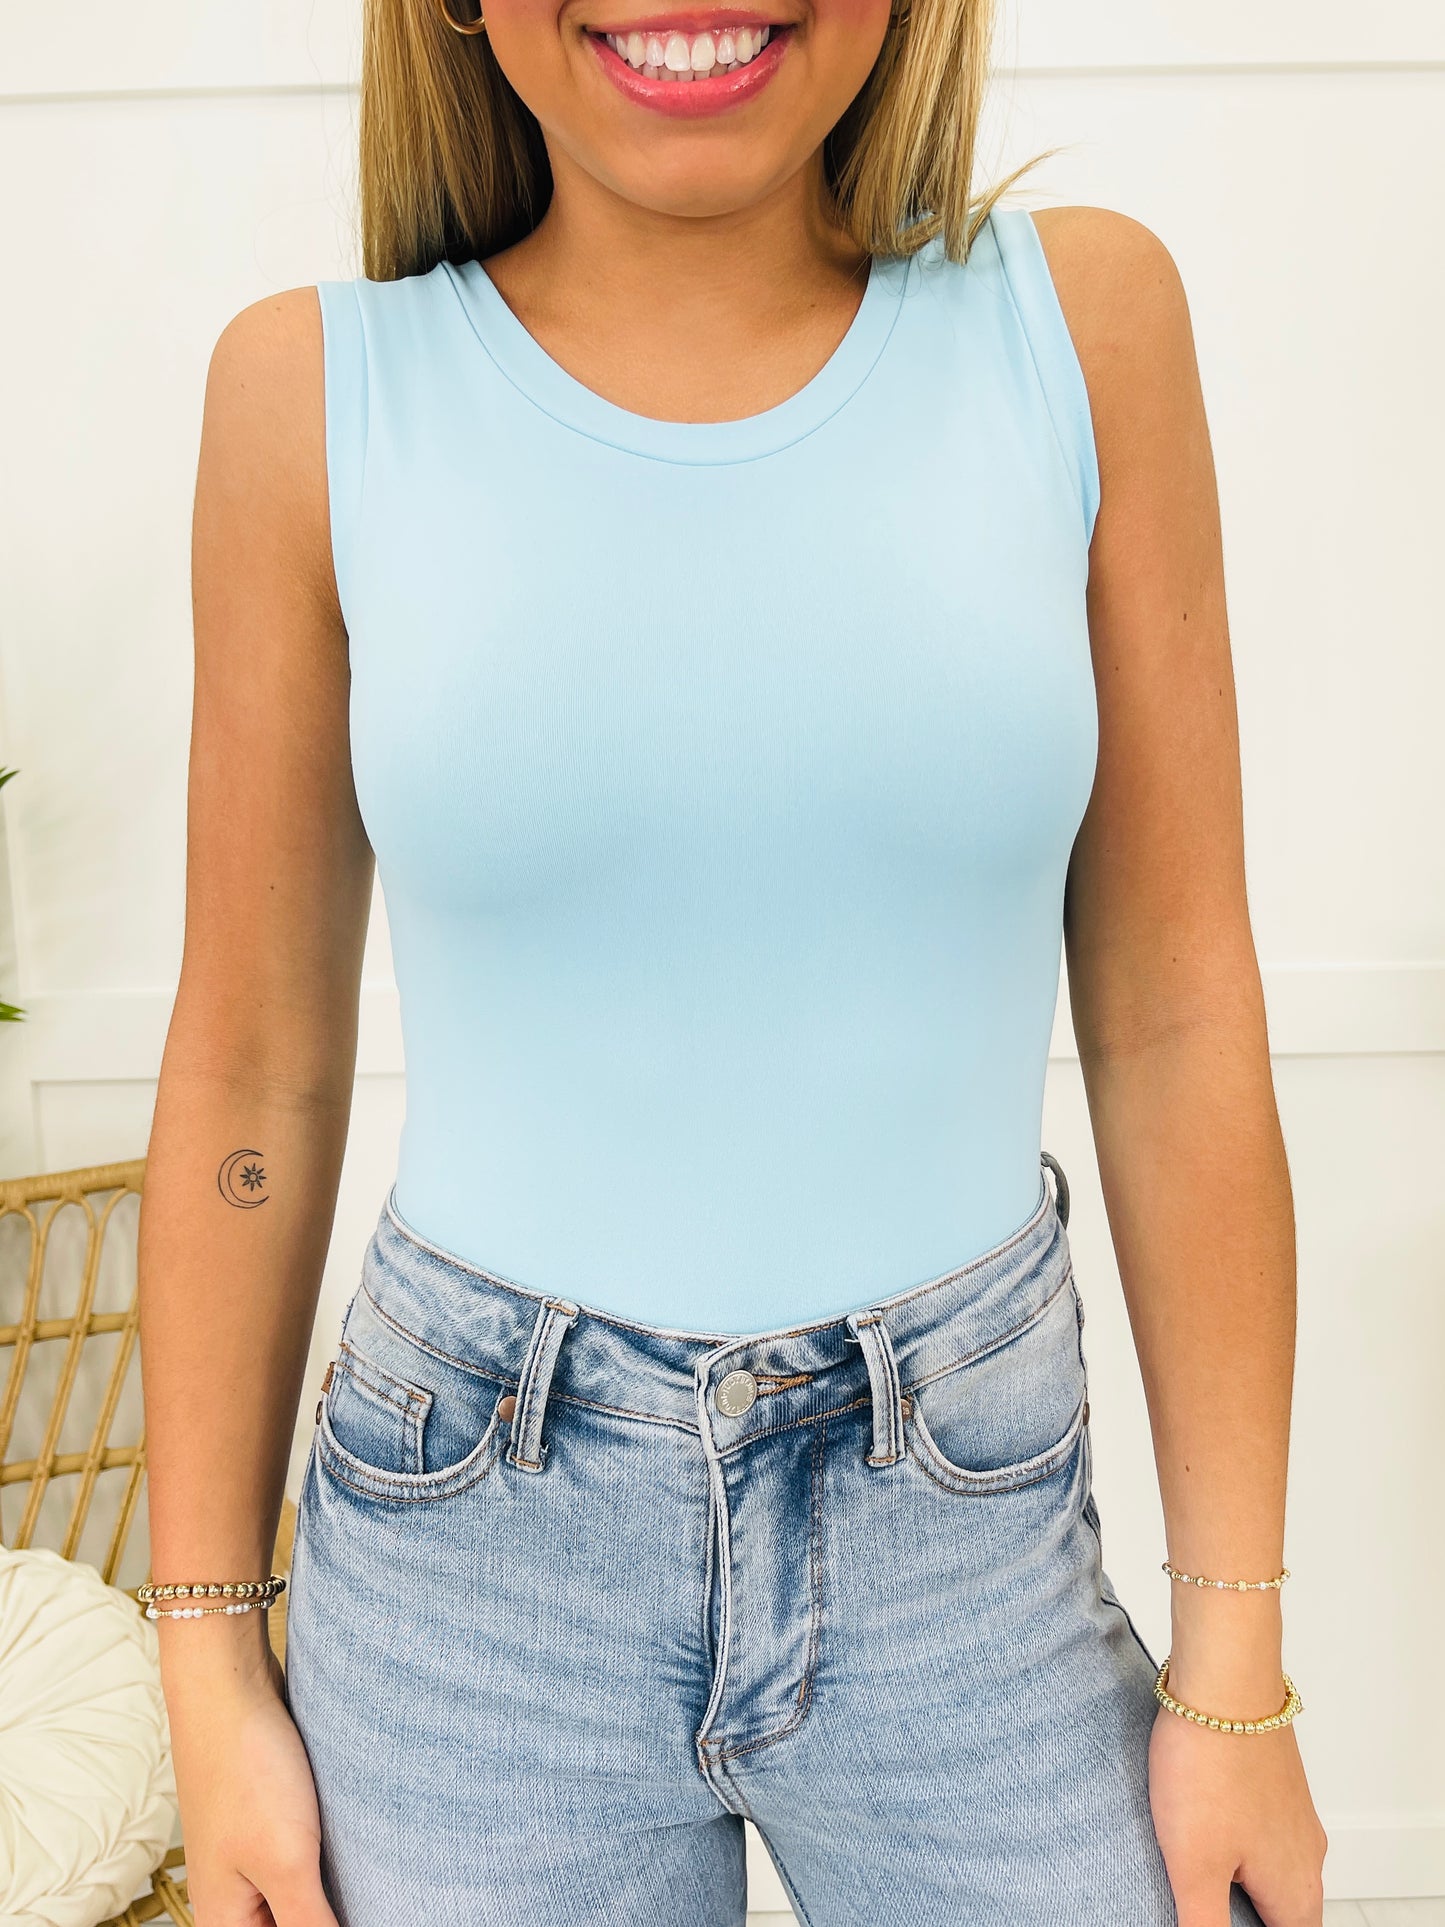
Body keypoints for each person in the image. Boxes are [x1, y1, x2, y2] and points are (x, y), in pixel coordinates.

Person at [136, 0, 1329, 1918]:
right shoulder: (312, 394)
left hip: (971, 1544)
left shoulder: (1079, 324)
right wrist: (205, 1658)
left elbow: (1177, 1011)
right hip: (467, 1580)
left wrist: (1236, 1667)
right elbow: (253, 1060)